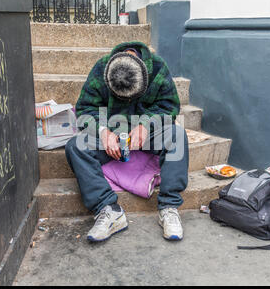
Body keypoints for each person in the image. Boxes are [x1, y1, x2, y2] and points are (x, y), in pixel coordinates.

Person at [65, 41, 189, 242]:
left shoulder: (158, 68)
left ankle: (169, 207)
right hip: (112, 137)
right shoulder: (100, 69)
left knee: (177, 135)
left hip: (147, 134)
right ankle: (108, 210)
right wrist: (104, 132)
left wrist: (146, 124)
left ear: (144, 74)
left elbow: (169, 108)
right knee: (75, 147)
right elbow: (85, 110)